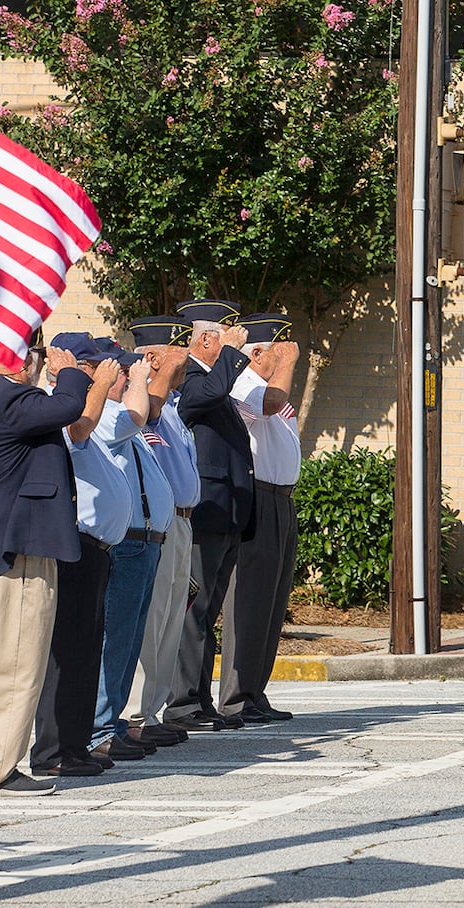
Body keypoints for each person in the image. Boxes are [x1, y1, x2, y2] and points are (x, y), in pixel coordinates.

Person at [0, 334, 92, 796]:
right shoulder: (7, 398)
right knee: (12, 664)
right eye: (35, 357)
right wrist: (70, 371)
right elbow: (68, 406)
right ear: (22, 363)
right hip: (15, 554)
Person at [29, 342, 124, 779]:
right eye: (95, 366)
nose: (105, 372)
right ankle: (52, 750)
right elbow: (75, 433)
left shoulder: (89, 412)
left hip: (98, 552)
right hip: (76, 549)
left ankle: (76, 743)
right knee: (65, 654)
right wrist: (97, 387)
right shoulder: (57, 409)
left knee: (87, 654)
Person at [165, 299, 257, 732]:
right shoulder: (194, 380)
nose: (237, 340)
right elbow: (206, 395)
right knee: (194, 611)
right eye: (226, 334)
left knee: (206, 612)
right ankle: (183, 703)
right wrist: (234, 357)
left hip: (225, 514)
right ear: (207, 339)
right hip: (206, 514)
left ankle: (199, 700)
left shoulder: (213, 380)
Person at [84, 337, 176, 761]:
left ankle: (112, 722)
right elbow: (139, 412)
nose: (128, 376)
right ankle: (100, 726)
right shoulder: (106, 415)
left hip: (146, 542)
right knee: (115, 640)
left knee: (131, 639)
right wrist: (141, 377)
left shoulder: (121, 417)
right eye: (123, 371)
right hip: (129, 544)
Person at [219, 313, 301, 723]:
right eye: (277, 349)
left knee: (271, 602)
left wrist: (283, 367)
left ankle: (255, 690)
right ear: (257, 352)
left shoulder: (270, 385)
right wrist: (285, 366)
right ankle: (236, 695)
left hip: (282, 498)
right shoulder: (245, 385)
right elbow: (269, 408)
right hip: (259, 496)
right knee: (250, 599)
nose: (285, 355)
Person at [123, 316, 200, 744]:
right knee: (151, 621)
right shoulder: (148, 405)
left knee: (171, 620)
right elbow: (141, 414)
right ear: (152, 356)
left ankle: (152, 713)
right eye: (179, 350)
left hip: (182, 523)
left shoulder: (171, 407)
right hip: (159, 527)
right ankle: (133, 717)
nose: (187, 358)